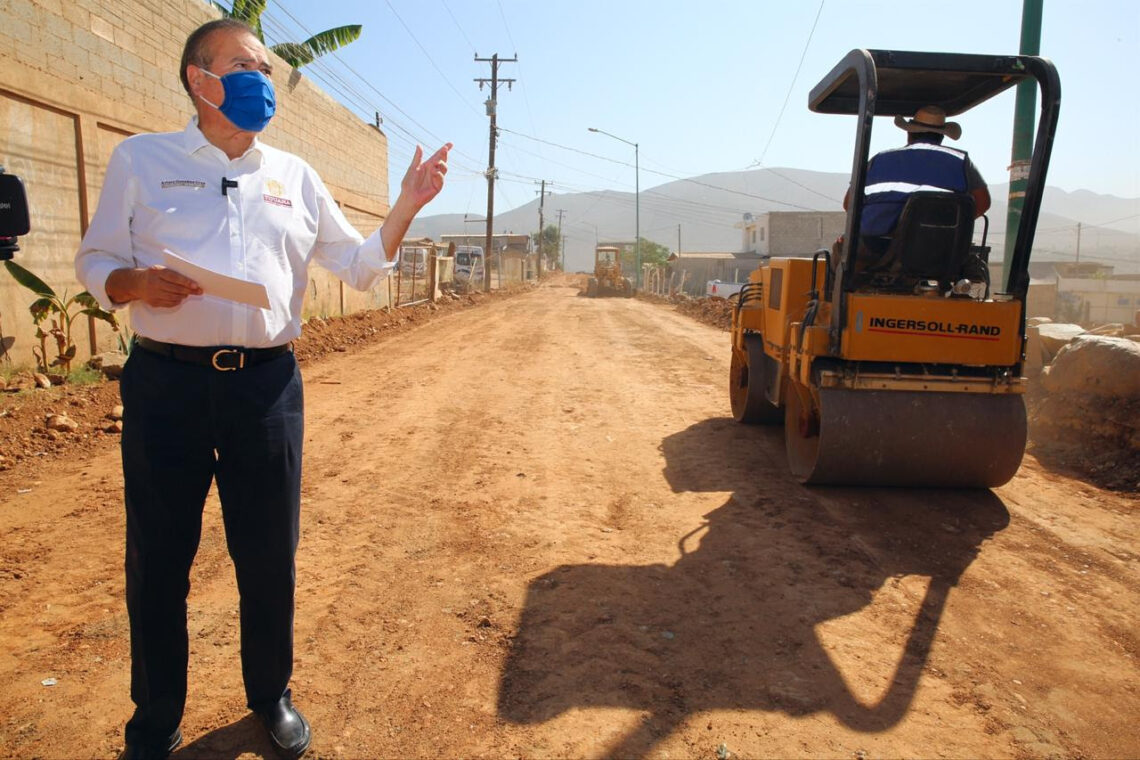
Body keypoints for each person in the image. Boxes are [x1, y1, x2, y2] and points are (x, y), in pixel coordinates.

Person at [75, 18, 450, 760]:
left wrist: (406, 204)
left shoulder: (294, 176)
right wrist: (136, 282)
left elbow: (361, 265)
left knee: (268, 551)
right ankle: (155, 719)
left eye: (268, 71)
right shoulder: (140, 160)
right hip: (166, 386)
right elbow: (95, 263)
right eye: (247, 65)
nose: (263, 81)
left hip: (265, 389)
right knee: (159, 555)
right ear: (199, 77)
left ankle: (269, 695)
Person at [842, 105, 990, 267]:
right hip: (935, 251)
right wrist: (949, 227)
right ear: (942, 136)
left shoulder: (879, 160)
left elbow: (849, 204)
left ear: (909, 132)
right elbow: (983, 202)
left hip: (875, 249)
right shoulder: (961, 161)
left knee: (841, 251)